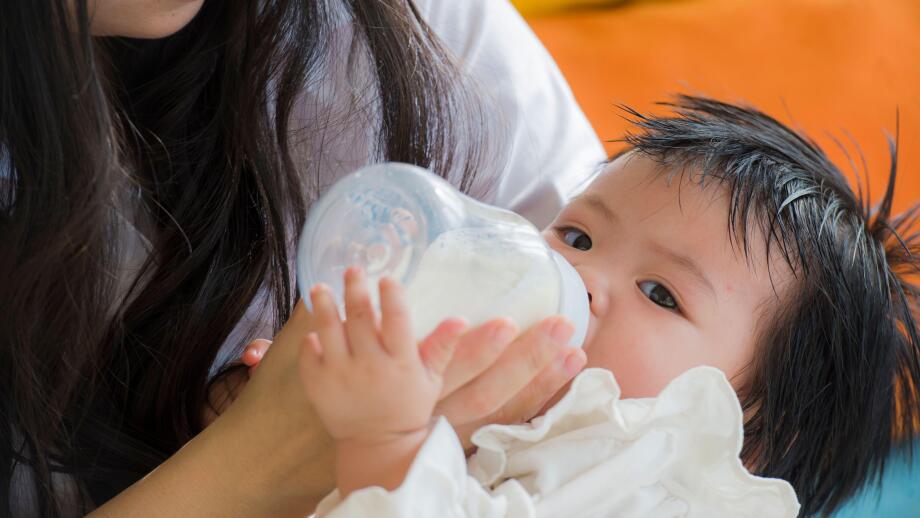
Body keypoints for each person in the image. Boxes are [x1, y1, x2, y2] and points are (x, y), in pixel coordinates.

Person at [0, 0, 605, 515]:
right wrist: (257, 462)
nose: (593, 283)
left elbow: (621, 242)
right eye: (576, 242)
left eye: (660, 296)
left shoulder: (410, 29)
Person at [265, 96, 920, 517]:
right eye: (577, 235)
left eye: (661, 293)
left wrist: (384, 443)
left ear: (744, 438)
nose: (579, 275)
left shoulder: (653, 479)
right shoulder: (522, 414)